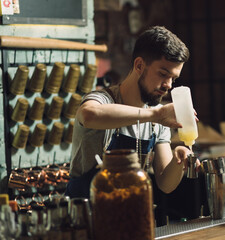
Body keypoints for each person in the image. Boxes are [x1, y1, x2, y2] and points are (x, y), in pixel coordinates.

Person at [66, 26, 197, 198]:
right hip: (87, 217)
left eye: (173, 78)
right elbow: (89, 115)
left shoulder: (157, 117)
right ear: (139, 65)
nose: (169, 85)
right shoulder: (102, 99)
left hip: (128, 214)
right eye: (163, 74)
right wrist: (156, 116)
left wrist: (178, 159)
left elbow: (165, 184)